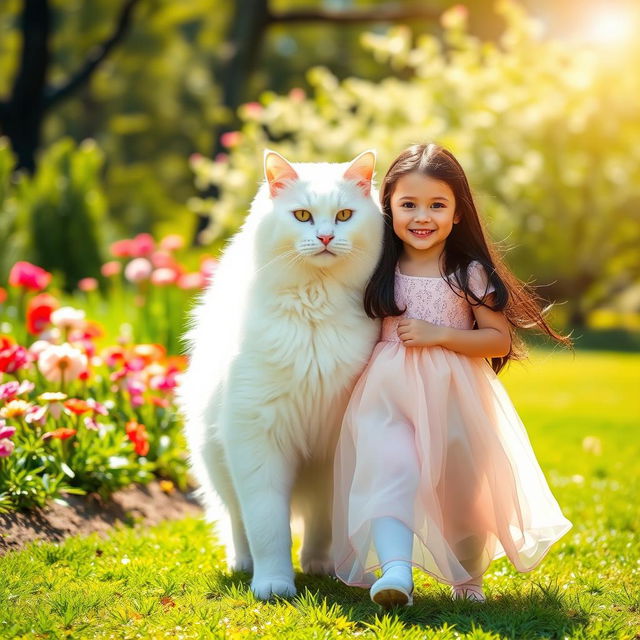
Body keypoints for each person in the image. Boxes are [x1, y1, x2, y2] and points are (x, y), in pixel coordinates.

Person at [332, 143, 573, 609]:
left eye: (437, 205)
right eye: (408, 205)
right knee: (389, 468)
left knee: (462, 489)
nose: (422, 216)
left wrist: (438, 334)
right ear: (388, 208)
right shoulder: (377, 266)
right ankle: (396, 572)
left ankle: (468, 580)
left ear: (459, 213)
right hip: (387, 392)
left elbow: (497, 341)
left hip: (454, 392)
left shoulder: (468, 272)